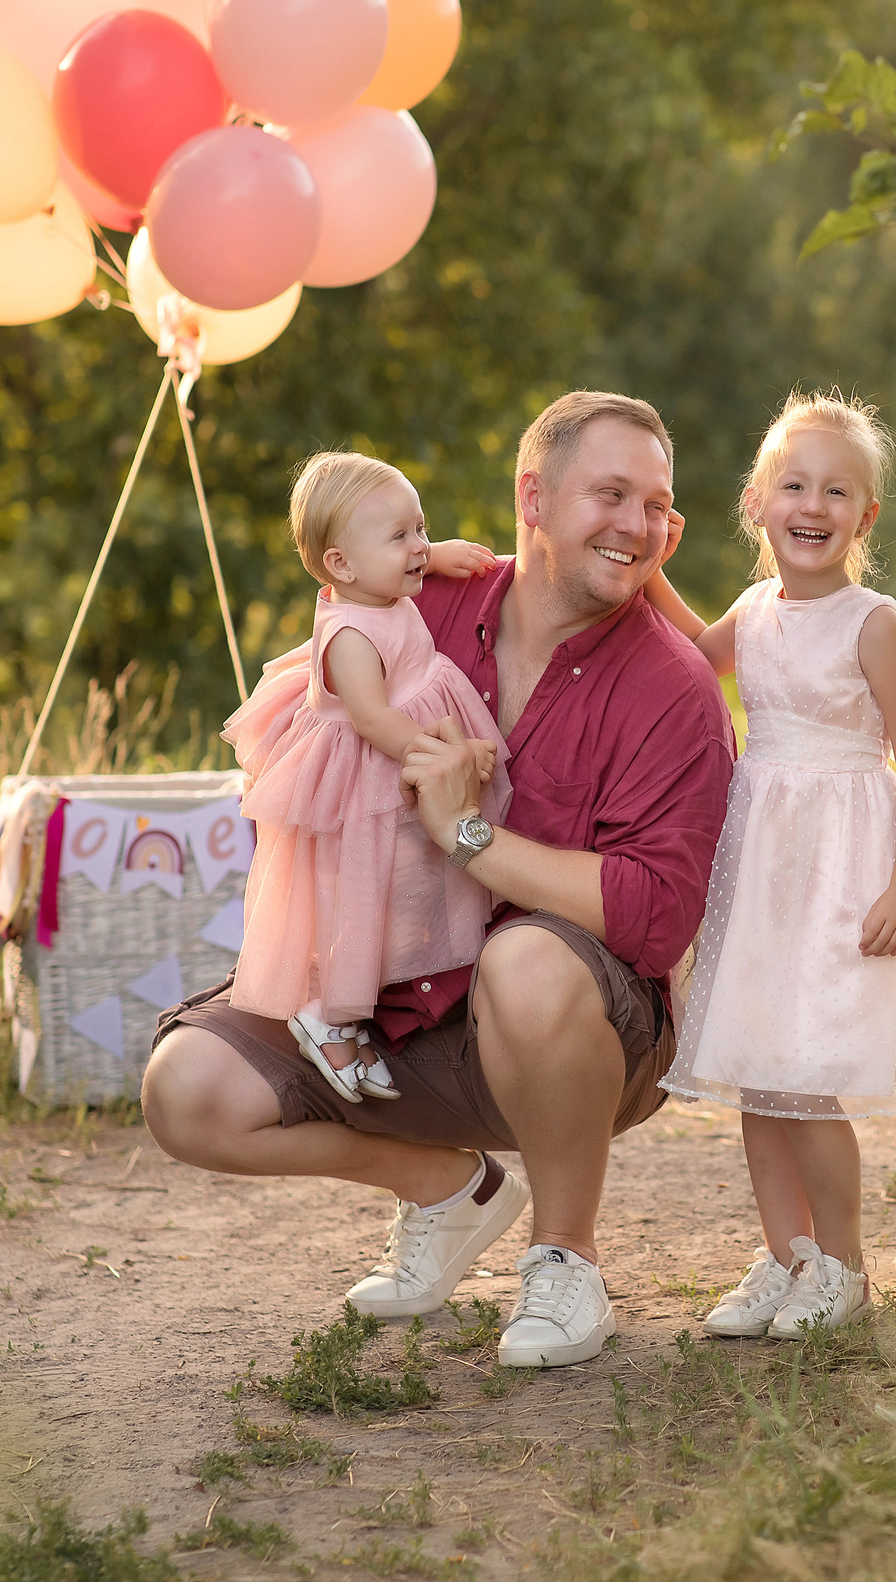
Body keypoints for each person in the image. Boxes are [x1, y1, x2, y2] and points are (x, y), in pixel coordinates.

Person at [142, 391, 735, 1370]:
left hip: (574, 1034)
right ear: (532, 496)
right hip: (387, 1000)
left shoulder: (670, 686)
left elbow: (656, 915)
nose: (637, 525)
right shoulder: (425, 600)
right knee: (189, 1090)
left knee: (526, 962)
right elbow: (330, 648)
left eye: (657, 503)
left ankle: (565, 1259)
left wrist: (466, 836)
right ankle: (445, 1189)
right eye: (611, 494)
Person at [642, 390, 896, 1340]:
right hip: (762, 866)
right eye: (793, 485)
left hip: (841, 872)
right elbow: (698, 659)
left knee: (809, 1075)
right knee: (757, 1071)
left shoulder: (873, 621)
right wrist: (651, 566)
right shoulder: (755, 607)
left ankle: (846, 1268)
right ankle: (789, 1257)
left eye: (836, 490)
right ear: (757, 503)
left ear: (865, 515)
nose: (811, 504)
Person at [219, 452, 509, 1105]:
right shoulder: (350, 635)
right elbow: (376, 720)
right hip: (371, 777)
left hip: (397, 764)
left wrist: (439, 555)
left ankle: (379, 1003)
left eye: (421, 527)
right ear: (341, 566)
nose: (419, 546)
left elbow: (403, 557)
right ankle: (328, 1011)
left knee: (410, 893)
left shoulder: (373, 585)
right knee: (371, 896)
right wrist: (453, 753)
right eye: (401, 537)